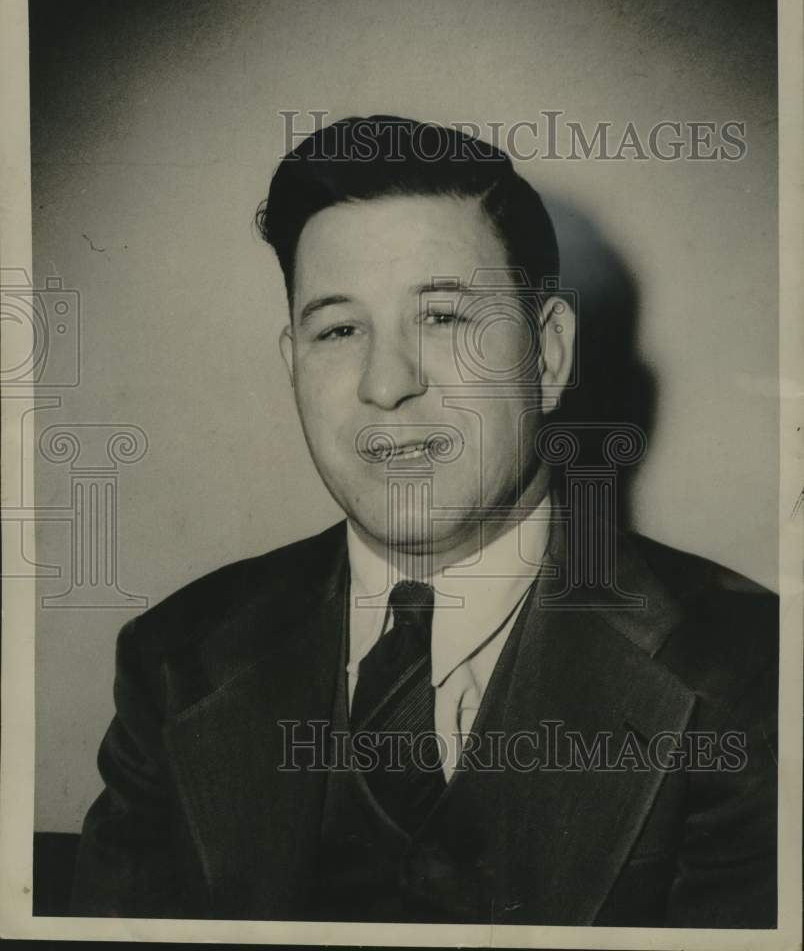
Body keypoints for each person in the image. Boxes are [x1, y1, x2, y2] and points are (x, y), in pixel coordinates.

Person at [70, 116, 778, 926]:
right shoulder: (175, 662)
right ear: (293, 365)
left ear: (547, 356)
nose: (386, 383)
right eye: (338, 330)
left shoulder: (750, 671)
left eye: (441, 317)